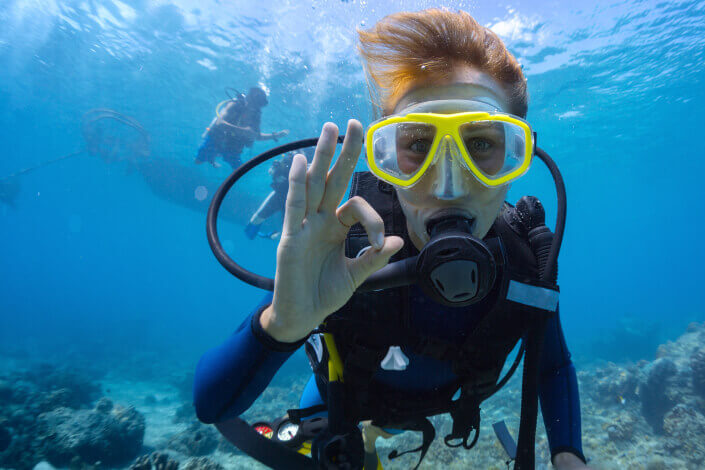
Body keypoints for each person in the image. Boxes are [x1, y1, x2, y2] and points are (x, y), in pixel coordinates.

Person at [194, 10, 589, 470]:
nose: (448, 186)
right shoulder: (344, 251)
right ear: (386, 161)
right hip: (343, 403)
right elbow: (211, 405)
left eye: (481, 145)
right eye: (418, 145)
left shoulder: (527, 263)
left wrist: (568, 456)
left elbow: (553, 367)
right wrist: (281, 323)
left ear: (517, 159)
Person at [195, 87, 289, 168]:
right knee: (198, 161)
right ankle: (212, 159)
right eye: (255, 103)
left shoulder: (256, 116)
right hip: (216, 140)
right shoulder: (234, 105)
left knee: (239, 169)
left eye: (259, 105)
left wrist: (275, 135)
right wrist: (243, 130)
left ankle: (213, 158)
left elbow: (257, 136)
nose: (256, 108)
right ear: (248, 98)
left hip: (232, 147)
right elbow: (219, 123)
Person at [244, 152, 296, 240]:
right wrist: (275, 174)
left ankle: (275, 236)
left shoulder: (307, 158)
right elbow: (272, 170)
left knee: (288, 230)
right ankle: (262, 235)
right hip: (279, 196)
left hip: (295, 199)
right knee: (254, 221)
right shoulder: (285, 159)